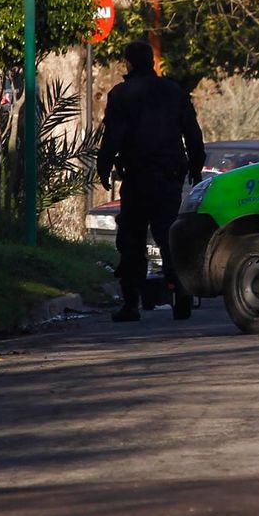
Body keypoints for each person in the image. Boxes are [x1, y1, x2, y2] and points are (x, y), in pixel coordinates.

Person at [96, 41, 205, 323]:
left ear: (129, 63)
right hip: (168, 178)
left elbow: (113, 136)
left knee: (132, 241)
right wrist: (196, 164)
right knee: (168, 237)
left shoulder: (121, 94)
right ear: (152, 62)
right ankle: (181, 293)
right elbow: (192, 132)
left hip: (137, 177)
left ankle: (131, 303)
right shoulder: (174, 91)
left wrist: (104, 165)